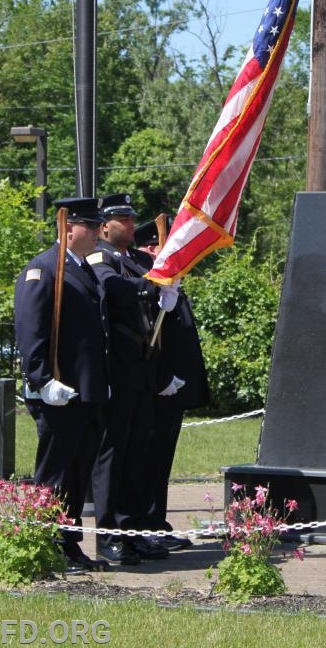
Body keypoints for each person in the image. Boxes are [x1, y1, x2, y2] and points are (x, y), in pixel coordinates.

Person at [13, 197, 110, 573]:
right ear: (68, 228)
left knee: (76, 474)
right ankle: (44, 545)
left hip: (83, 393)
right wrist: (41, 380)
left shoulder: (82, 269)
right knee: (55, 475)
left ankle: (68, 546)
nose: (100, 232)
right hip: (57, 393)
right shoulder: (43, 270)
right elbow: (30, 332)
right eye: (91, 224)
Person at [86, 194, 178, 564]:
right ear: (104, 225)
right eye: (121, 219)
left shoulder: (137, 260)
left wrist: (164, 290)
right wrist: (150, 287)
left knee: (139, 453)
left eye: (130, 218)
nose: (128, 224)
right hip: (119, 371)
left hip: (142, 368)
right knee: (113, 454)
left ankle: (135, 528)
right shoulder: (100, 257)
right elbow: (111, 288)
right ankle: (109, 533)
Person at [134, 218, 211, 551]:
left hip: (172, 390)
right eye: (155, 247)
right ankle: (144, 523)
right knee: (146, 459)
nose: (160, 252)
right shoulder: (143, 280)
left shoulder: (168, 282)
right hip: (153, 389)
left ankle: (157, 522)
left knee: (161, 460)